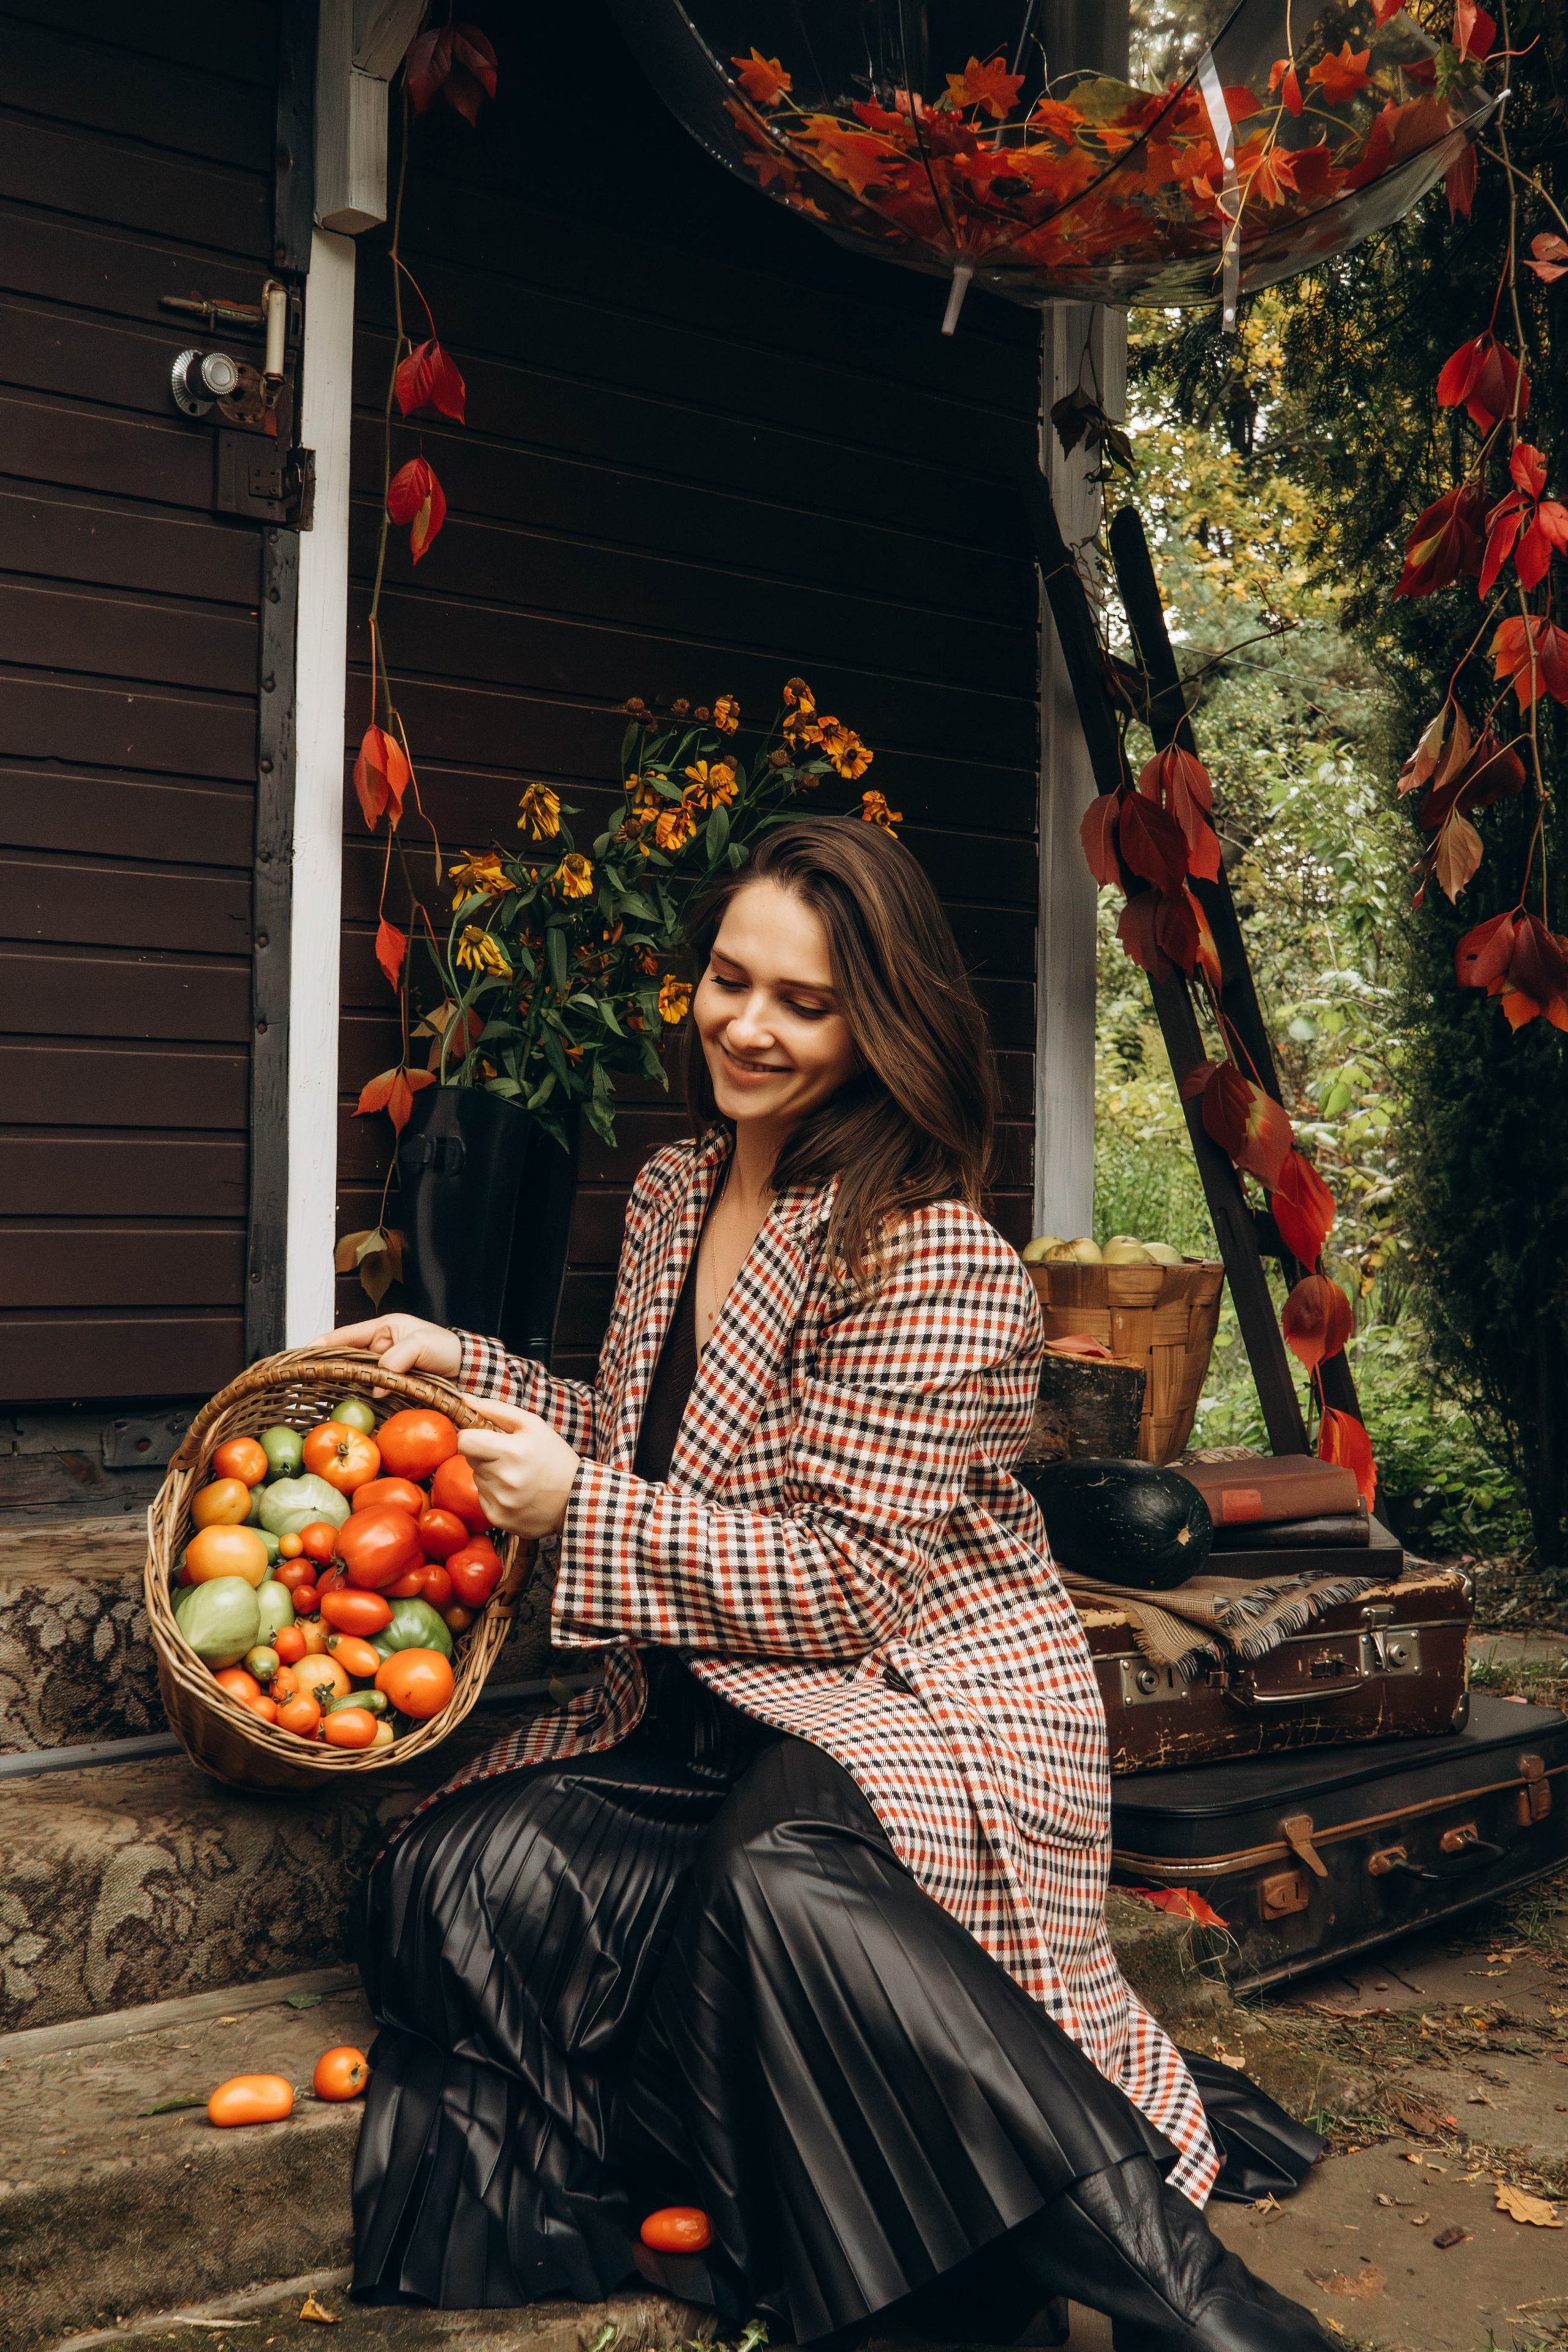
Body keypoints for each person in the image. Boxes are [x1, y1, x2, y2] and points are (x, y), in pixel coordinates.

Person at [323, 819, 1332, 2350]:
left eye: (801, 1004)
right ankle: (832, 2109)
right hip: (709, 1700)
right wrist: (453, 1366)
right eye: (730, 981)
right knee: (452, 1875)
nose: (747, 1025)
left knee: (772, 1881)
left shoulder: (930, 1256)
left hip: (906, 1701)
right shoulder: (675, 1188)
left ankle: (1200, 2312)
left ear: (880, 1023)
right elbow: (656, 1444)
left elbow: (843, 1583)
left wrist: (579, 1506)